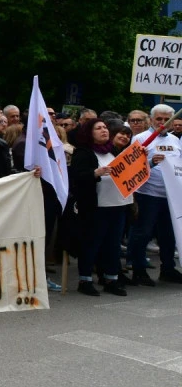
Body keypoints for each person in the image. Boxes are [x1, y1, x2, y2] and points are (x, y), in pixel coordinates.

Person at [66, 119, 129, 296]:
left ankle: (111, 278)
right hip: (97, 207)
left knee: (113, 244)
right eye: (98, 128)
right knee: (92, 244)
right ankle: (85, 280)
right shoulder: (84, 153)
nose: (104, 131)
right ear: (89, 132)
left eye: (105, 128)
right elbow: (77, 178)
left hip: (118, 204)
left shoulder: (114, 151)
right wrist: (96, 173)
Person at [129, 104, 182, 286]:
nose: (162, 122)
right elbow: (133, 167)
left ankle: (168, 269)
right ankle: (138, 270)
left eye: (166, 118)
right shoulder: (141, 138)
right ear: (151, 120)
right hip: (148, 194)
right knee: (143, 233)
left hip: (170, 196)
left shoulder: (175, 140)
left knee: (168, 235)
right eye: (158, 119)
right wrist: (151, 162)